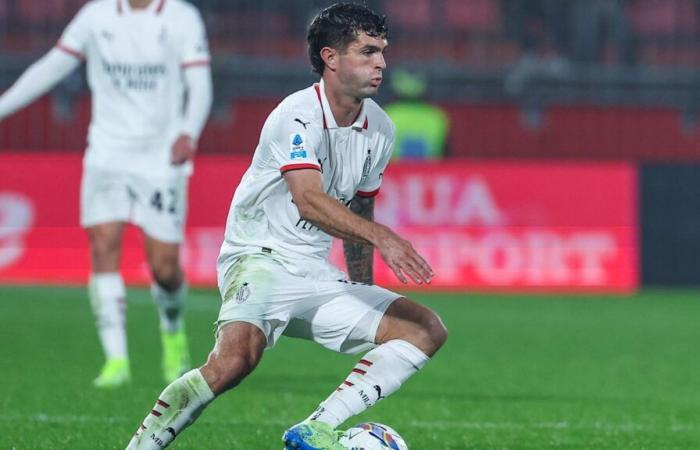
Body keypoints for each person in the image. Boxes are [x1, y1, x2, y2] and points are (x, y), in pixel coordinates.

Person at [125, 3, 447, 449]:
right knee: (234, 361)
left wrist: (363, 289)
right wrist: (384, 238)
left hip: (314, 271)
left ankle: (316, 427)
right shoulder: (295, 115)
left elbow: (360, 207)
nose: (382, 63)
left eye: (383, 52)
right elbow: (309, 200)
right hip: (259, 258)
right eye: (368, 52)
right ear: (331, 58)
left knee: (424, 328)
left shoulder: (381, 128)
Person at [0, 0, 213, 388]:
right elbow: (52, 66)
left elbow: (199, 83)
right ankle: (116, 360)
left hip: (160, 156)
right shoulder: (96, 15)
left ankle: (172, 331)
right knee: (103, 245)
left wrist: (189, 131)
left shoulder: (180, 16)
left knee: (164, 267)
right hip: (107, 152)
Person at [384, 69, 449, 159]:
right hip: (430, 172)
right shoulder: (437, 116)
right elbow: (447, 156)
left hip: (392, 172)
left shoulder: (388, 114)